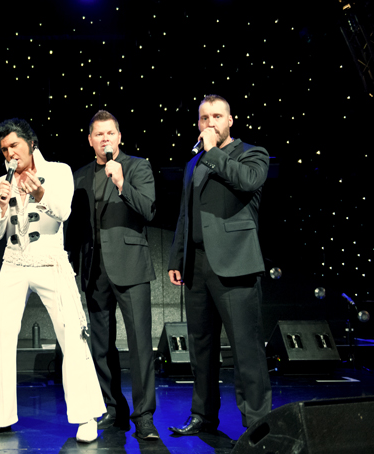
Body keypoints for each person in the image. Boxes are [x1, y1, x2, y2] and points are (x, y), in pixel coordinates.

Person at [0, 118, 105, 443]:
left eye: (14, 145)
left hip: (50, 261)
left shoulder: (59, 171)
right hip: (13, 263)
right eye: (4, 149)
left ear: (31, 143)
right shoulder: (1, 182)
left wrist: (40, 192)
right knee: (1, 339)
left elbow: (63, 212)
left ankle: (86, 416)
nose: (10, 153)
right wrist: (1, 206)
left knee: (72, 335)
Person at [167, 94, 272, 435]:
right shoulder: (193, 163)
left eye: (216, 116)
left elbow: (247, 181)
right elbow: (185, 214)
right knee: (201, 347)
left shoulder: (251, 154)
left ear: (230, 120)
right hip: (197, 264)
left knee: (246, 349)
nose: (209, 123)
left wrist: (212, 152)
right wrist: (177, 257)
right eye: (203, 118)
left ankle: (256, 423)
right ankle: (203, 415)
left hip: (236, 263)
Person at [66, 110, 159, 440]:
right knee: (101, 345)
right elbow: (74, 227)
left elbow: (148, 210)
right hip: (94, 268)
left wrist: (121, 183)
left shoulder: (138, 167)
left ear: (119, 137)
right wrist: (70, 264)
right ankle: (112, 408)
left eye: (110, 133)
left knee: (140, 344)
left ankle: (143, 415)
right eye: (98, 134)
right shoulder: (79, 175)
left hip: (130, 264)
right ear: (90, 140)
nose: (105, 138)